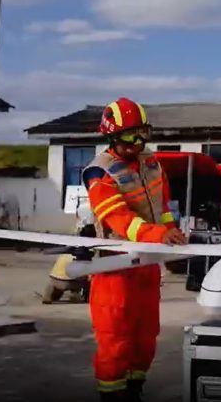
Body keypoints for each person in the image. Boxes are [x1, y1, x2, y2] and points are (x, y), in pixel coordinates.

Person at [82, 97, 187, 401]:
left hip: (147, 263)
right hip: (114, 268)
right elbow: (120, 220)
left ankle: (134, 389)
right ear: (112, 136)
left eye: (144, 133)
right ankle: (113, 396)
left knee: (145, 336)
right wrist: (159, 235)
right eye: (130, 136)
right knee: (115, 339)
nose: (138, 142)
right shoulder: (99, 173)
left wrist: (171, 229)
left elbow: (162, 206)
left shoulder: (150, 162)